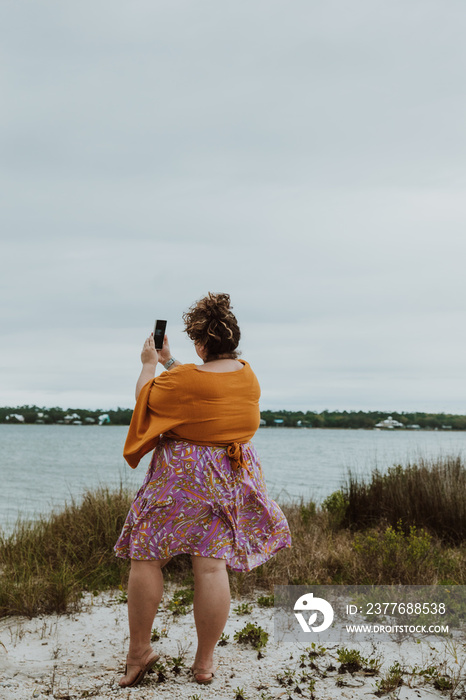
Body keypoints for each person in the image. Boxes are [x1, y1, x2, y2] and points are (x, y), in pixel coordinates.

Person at [114, 292, 292, 688]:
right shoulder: (247, 374)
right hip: (226, 475)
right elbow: (204, 387)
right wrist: (170, 361)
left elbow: (146, 401)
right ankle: (204, 663)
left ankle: (139, 652)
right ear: (232, 339)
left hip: (179, 476)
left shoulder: (179, 381)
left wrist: (149, 365)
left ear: (200, 343)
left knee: (146, 557)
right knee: (211, 567)